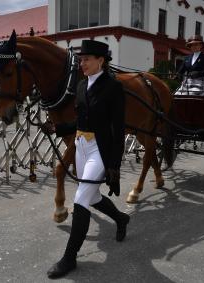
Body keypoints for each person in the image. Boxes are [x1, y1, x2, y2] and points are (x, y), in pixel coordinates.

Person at [41, 40, 130, 279]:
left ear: (100, 60)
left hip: (99, 150)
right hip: (81, 146)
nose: (82, 64)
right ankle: (121, 219)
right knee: (94, 196)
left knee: (80, 200)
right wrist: (57, 128)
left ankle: (69, 258)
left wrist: (114, 164)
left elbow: (118, 129)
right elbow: (80, 123)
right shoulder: (81, 86)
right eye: (80, 60)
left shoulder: (113, 87)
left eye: (87, 60)